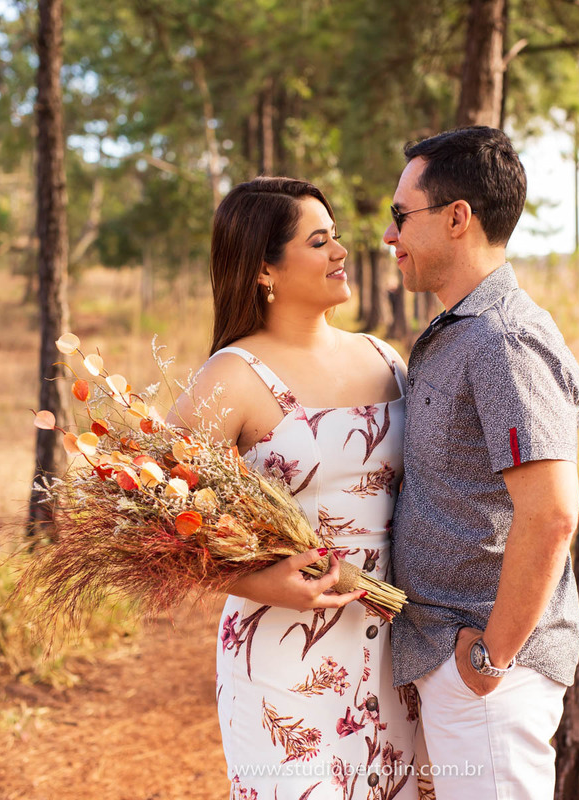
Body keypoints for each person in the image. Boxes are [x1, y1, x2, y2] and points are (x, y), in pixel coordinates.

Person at [170, 177, 422, 799]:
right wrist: (257, 583)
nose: (340, 253)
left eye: (335, 237)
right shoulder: (231, 375)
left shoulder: (386, 358)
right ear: (265, 269)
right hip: (284, 654)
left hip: (398, 642)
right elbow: (155, 515)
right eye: (318, 241)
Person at [384, 127, 579, 799]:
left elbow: (553, 513)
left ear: (457, 218)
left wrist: (490, 655)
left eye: (400, 215)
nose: (390, 237)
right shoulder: (459, 329)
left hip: (489, 668)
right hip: (453, 656)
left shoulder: (505, 339)